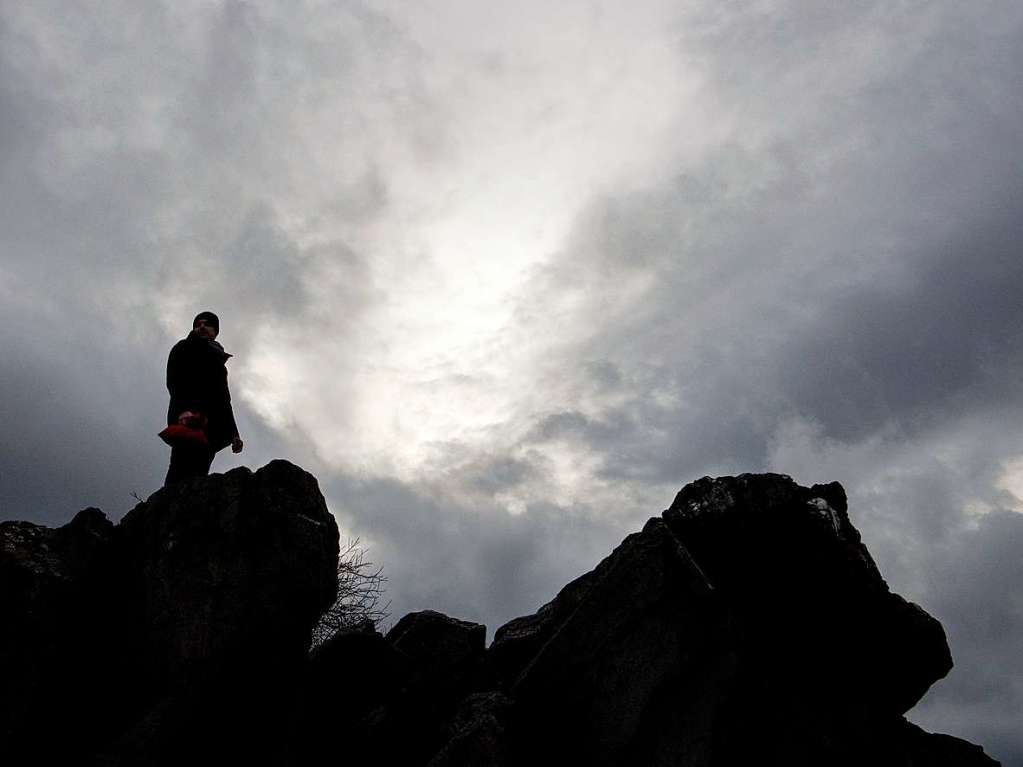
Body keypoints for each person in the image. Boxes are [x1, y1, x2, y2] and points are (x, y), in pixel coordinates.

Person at [164, 311, 244, 485]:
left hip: (211, 425)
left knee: (199, 471)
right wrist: (182, 411)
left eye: (207, 324)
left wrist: (233, 434)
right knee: (179, 469)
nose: (201, 326)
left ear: (215, 331)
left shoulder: (218, 360)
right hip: (187, 419)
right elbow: (174, 381)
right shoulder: (183, 348)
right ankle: (167, 509)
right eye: (198, 324)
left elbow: (224, 400)